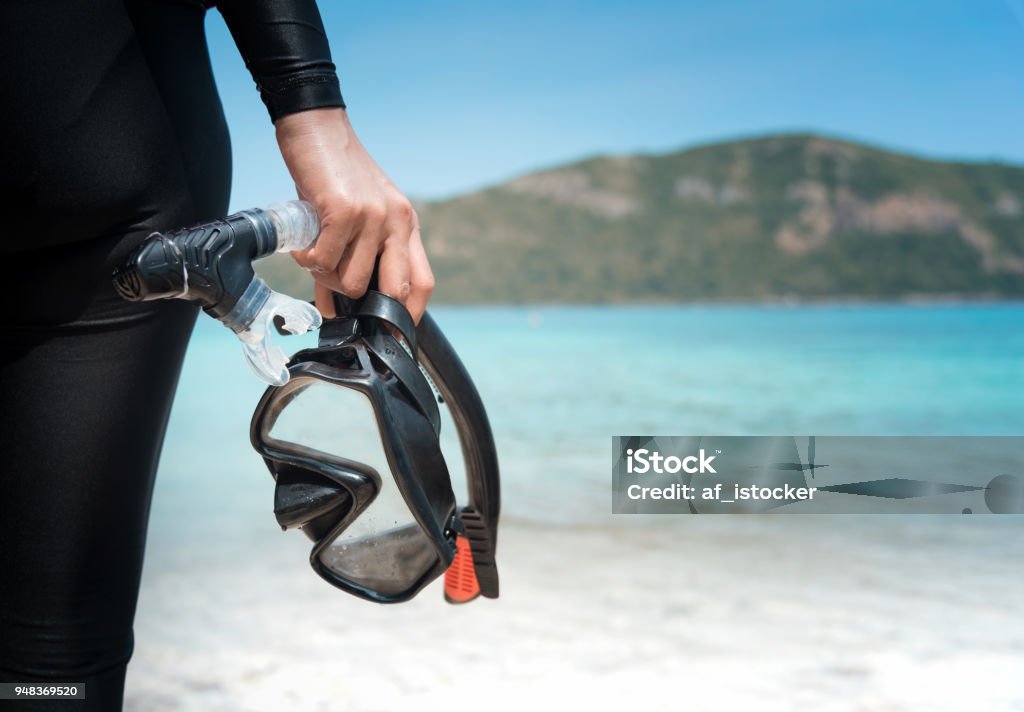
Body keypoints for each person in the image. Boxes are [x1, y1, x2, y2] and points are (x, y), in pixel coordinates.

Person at [0, 1, 432, 709]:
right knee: (47, 658)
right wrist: (313, 111)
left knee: (47, 659)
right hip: (113, 159)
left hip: (112, 202)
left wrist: (314, 111)